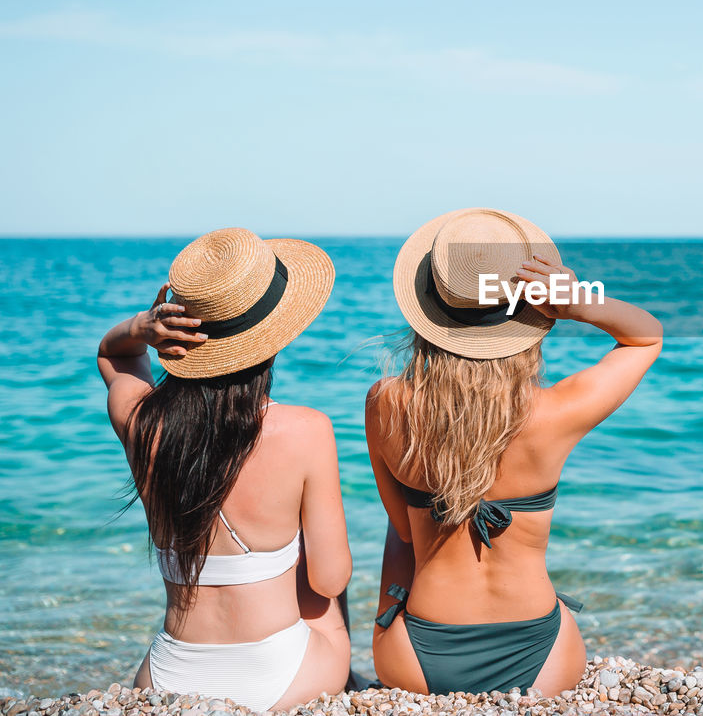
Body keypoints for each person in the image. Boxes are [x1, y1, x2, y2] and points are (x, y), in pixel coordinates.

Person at [367, 208, 662, 696]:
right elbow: (645, 337)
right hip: (541, 658)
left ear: (429, 314)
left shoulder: (387, 402)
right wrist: (581, 305)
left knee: (402, 538)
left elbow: (401, 529)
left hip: (413, 660)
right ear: (528, 317)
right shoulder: (555, 413)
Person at [97, 228, 352, 711]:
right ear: (274, 337)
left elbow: (114, 355)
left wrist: (141, 328)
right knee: (326, 591)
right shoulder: (306, 429)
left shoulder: (140, 421)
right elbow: (330, 579)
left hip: (164, 677)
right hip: (279, 676)